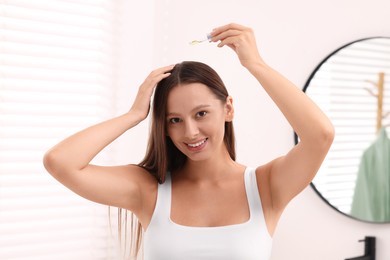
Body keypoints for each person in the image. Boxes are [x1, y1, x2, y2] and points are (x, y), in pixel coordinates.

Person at [43, 23, 334, 260]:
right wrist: (134, 115)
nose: (191, 132)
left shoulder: (264, 186)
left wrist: (254, 63)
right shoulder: (148, 189)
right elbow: (61, 163)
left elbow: (320, 136)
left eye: (201, 113)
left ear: (228, 109)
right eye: (174, 120)